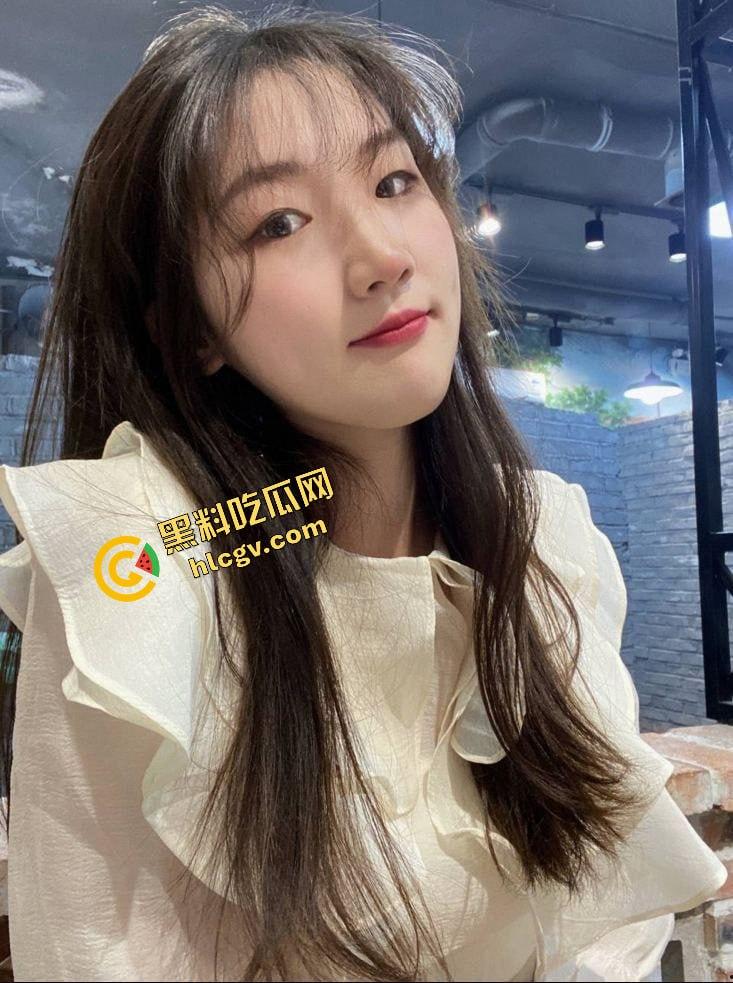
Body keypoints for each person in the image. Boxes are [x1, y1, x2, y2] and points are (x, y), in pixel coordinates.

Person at [0, 5, 724, 982]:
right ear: (191, 327)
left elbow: (597, 911)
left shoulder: (543, 537)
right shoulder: (145, 564)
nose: (382, 255)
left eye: (393, 181)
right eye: (278, 222)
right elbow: (94, 952)